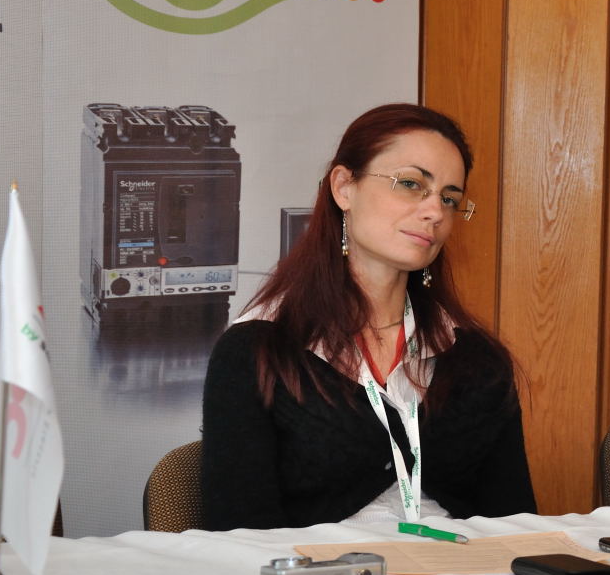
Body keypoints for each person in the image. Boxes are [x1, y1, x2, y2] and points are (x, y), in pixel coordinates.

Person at [201, 104, 535, 530]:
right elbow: (240, 536)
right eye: (411, 184)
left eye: (449, 198)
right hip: (322, 570)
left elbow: (516, 528)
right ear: (344, 188)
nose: (435, 212)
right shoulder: (258, 351)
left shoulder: (477, 359)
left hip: (458, 566)